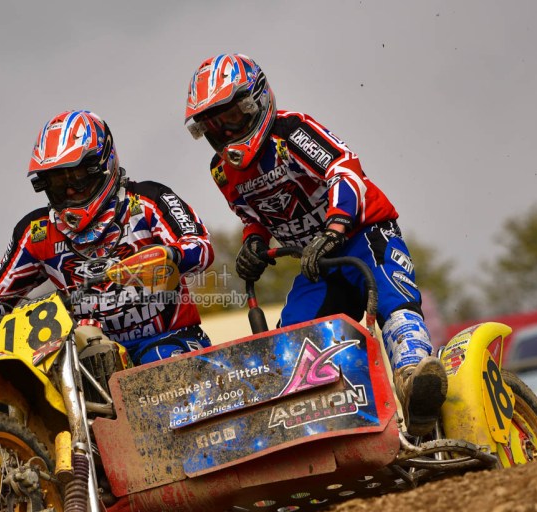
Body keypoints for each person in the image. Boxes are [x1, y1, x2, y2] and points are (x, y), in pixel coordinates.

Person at [183, 53, 446, 437]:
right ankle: (334, 429)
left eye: (231, 117)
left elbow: (345, 170)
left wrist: (336, 226)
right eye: (212, 126)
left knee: (395, 307)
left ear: (255, 101)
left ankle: (414, 381)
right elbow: (252, 215)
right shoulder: (221, 170)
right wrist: (253, 244)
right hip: (317, 264)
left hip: (364, 236)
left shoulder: (292, 131)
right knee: (290, 344)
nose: (224, 131)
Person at [0, 110, 215, 365]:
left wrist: (171, 255)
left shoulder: (148, 200)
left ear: (103, 165)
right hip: (92, 354)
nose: (70, 190)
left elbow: (200, 245)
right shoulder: (36, 232)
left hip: (170, 339)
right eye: (57, 182)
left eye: (78, 177)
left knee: (159, 363)